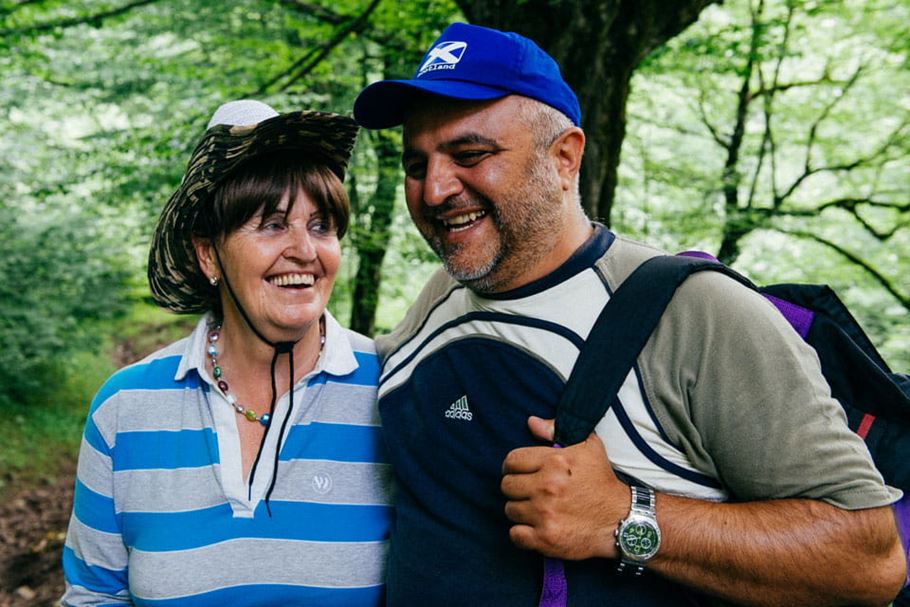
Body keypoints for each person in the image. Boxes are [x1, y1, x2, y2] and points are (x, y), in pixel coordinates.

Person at [352, 22, 907, 606]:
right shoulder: (435, 301)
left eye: (470, 154)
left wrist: (627, 516)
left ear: (565, 158)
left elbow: (870, 559)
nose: (435, 189)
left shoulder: (695, 313)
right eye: (417, 165)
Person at [61, 100, 392, 606]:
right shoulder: (125, 410)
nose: (305, 250)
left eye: (321, 225)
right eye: (273, 224)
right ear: (208, 253)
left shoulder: (393, 391)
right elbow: (93, 597)